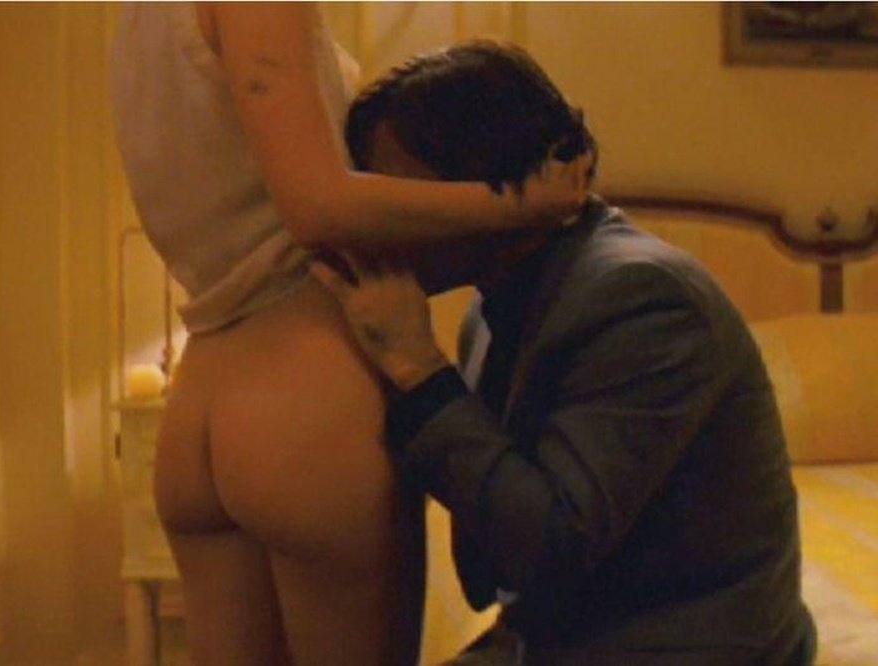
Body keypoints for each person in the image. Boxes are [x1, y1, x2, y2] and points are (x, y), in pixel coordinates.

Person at [110, 5, 591, 664]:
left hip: (201, 398)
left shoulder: (137, 19)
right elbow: (318, 206)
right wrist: (517, 202)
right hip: (304, 388)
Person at [312, 40, 816, 665]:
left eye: (399, 194)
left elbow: (548, 545)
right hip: (562, 639)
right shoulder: (491, 311)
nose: (381, 221)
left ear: (484, 179)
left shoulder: (642, 298)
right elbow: (491, 565)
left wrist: (420, 368)